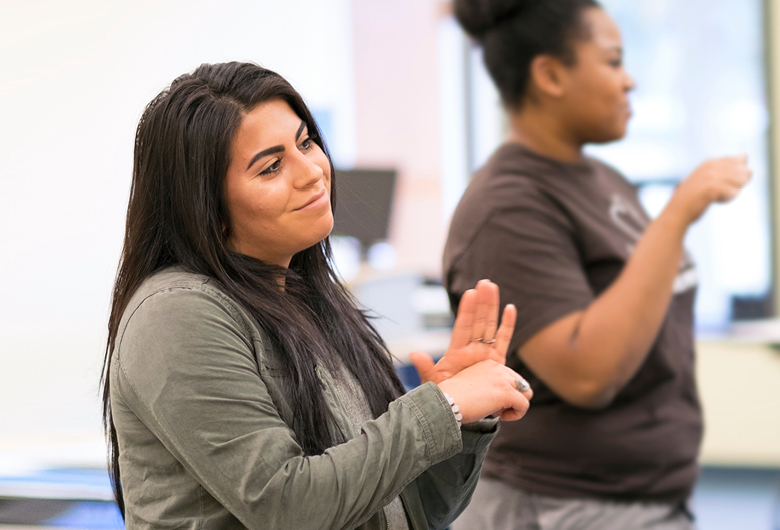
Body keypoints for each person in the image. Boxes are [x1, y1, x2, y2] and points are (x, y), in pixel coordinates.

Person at [100, 61, 533, 530]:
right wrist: (441, 406)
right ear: (207, 208)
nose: (312, 171)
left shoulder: (309, 299)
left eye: (306, 143)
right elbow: (288, 507)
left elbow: (414, 510)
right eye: (271, 167)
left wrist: (462, 421)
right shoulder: (176, 314)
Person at [443, 1, 752, 529]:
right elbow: (587, 374)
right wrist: (678, 212)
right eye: (613, 61)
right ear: (550, 75)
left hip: (640, 501)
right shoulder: (508, 206)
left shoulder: (604, 179)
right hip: (559, 507)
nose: (630, 80)